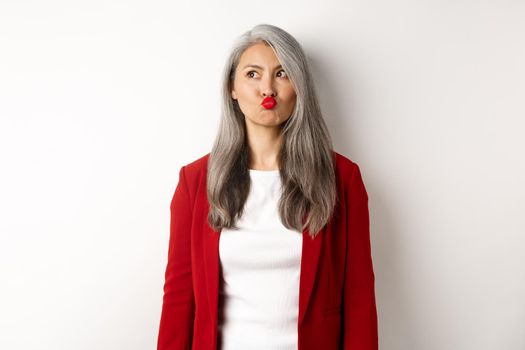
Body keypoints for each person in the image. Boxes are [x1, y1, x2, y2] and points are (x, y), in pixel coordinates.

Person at [157, 23, 378, 350]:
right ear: (232, 87)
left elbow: (358, 294)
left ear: (299, 86)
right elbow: (179, 297)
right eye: (252, 74)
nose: (268, 89)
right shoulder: (195, 181)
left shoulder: (341, 178)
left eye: (282, 73)